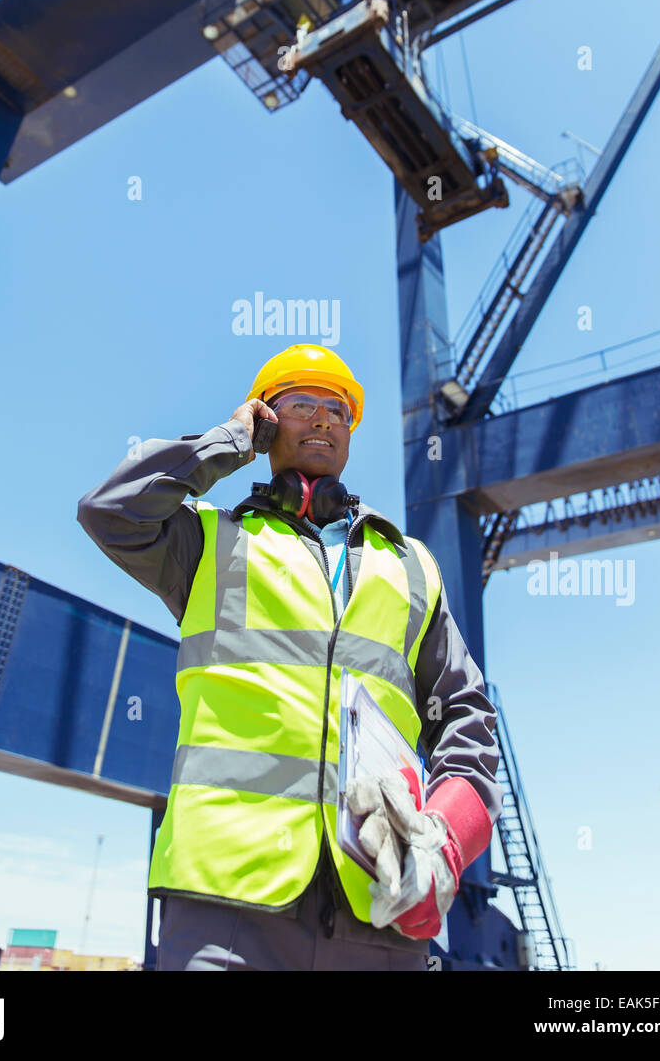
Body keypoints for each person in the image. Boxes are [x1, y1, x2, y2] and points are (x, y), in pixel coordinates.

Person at [77, 344, 502, 971]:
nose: (324, 419)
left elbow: (467, 716)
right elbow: (112, 510)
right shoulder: (209, 543)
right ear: (264, 420)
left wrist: (445, 840)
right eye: (301, 404)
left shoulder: (410, 567)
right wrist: (227, 441)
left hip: (380, 906)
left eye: (338, 410)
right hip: (225, 905)